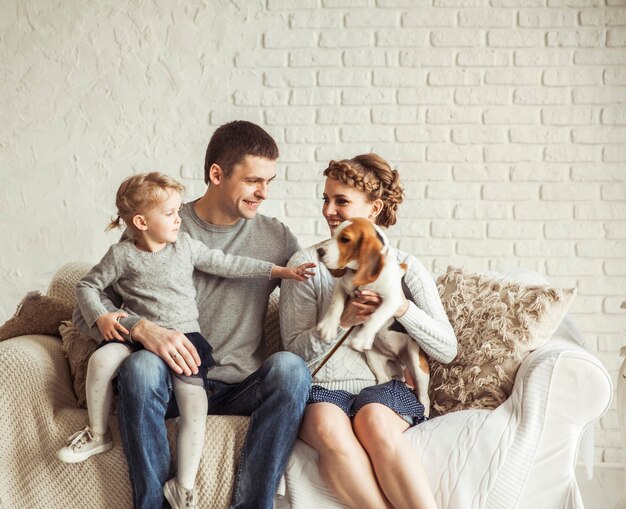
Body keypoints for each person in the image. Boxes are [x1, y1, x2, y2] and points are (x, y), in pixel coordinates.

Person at [71, 121, 312, 509]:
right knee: (140, 369)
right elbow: (86, 312)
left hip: (239, 386)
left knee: (291, 370)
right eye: (253, 180)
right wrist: (141, 328)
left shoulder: (276, 238)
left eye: (269, 181)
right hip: (167, 382)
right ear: (217, 174)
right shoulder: (158, 221)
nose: (264, 193)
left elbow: (316, 292)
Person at [279, 154, 458, 509]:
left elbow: (447, 350)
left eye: (341, 201)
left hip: (384, 389)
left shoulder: (406, 267)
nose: (329, 210)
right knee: (327, 423)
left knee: (373, 417)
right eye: (326, 199)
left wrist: (399, 307)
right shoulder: (306, 264)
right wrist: (343, 320)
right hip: (323, 389)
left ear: (374, 208)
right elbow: (293, 356)